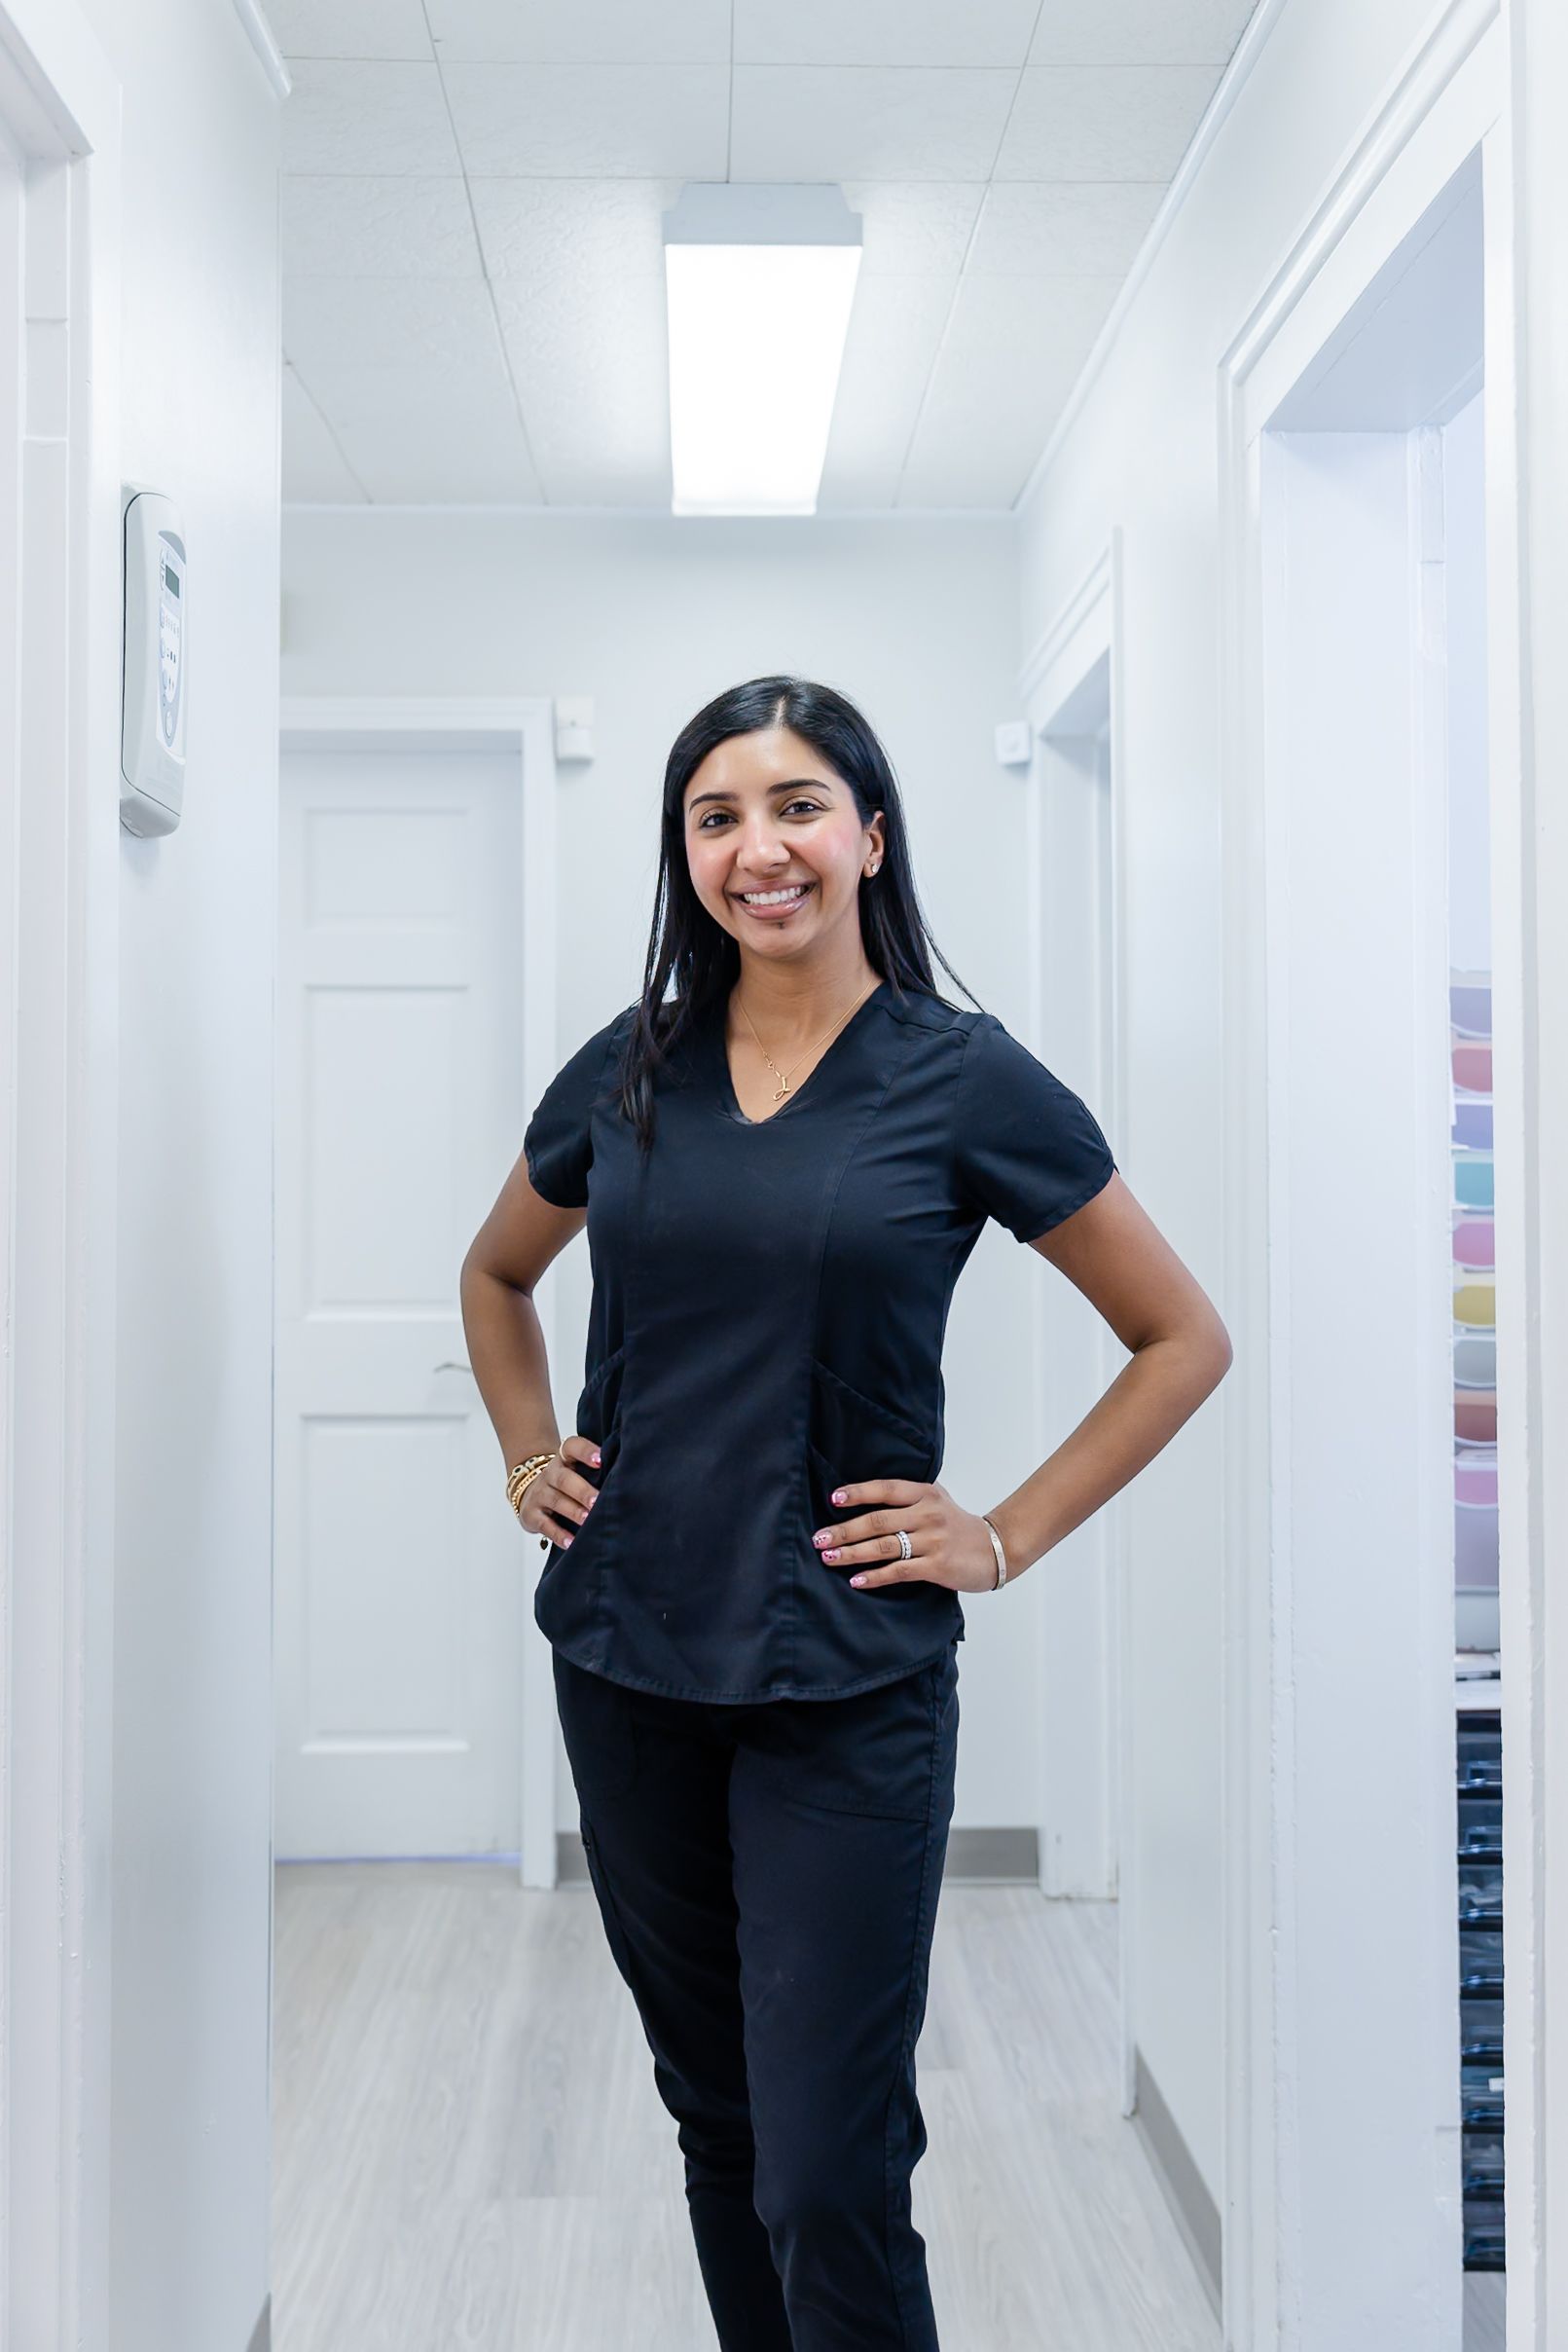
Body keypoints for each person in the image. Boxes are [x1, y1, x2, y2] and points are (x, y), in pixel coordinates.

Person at [459, 675, 1231, 2350]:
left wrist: (1003, 1532)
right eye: (718, 815)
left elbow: (1182, 1339)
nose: (760, 848)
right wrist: (533, 1452)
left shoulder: (961, 1080)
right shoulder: (634, 1064)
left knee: (829, 2166)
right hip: (627, 1659)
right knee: (720, 2129)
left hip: (845, 1686)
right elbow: (500, 1272)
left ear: (870, 837)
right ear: (688, 853)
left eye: (799, 805)